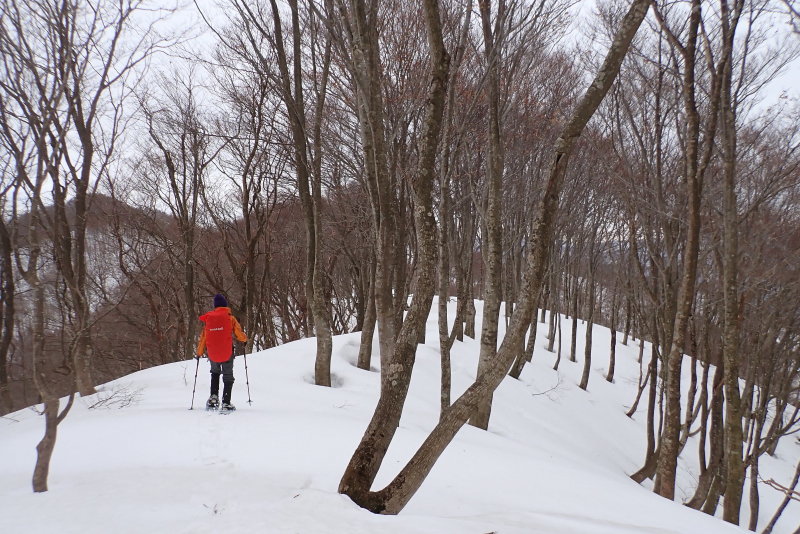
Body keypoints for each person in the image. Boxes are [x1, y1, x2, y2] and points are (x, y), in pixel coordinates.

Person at [195, 294, 248, 411]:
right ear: (225, 305)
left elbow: (203, 337)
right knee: (228, 376)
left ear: (215, 306)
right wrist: (244, 339)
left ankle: (213, 399)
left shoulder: (209, 319)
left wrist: (199, 353)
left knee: (215, 373)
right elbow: (238, 333)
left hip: (213, 353)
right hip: (227, 352)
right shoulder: (230, 318)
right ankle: (226, 402)